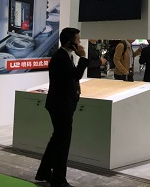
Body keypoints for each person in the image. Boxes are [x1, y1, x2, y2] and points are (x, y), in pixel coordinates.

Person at [35, 27, 90, 187]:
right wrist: (83, 57)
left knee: (57, 140)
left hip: (63, 104)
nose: (80, 42)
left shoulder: (65, 56)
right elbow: (76, 75)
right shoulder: (60, 57)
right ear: (70, 42)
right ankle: (59, 179)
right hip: (61, 105)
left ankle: (45, 172)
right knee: (62, 143)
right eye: (77, 40)